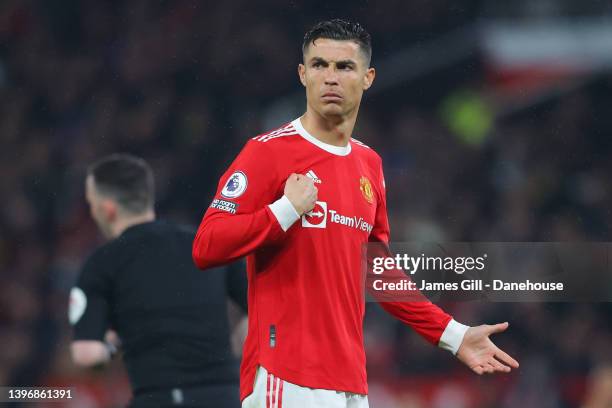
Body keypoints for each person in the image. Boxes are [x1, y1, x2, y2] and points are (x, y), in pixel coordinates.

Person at [193, 19, 519, 408]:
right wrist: (284, 210)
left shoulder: (369, 165)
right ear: (302, 74)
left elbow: (378, 273)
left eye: (344, 67)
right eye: (319, 65)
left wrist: (452, 334)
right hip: (286, 376)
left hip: (351, 384)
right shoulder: (268, 153)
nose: (330, 77)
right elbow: (206, 246)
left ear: (368, 77)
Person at [69, 153, 247, 407]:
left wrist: (112, 345)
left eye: (91, 204)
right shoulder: (206, 243)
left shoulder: (102, 263)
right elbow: (265, 308)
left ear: (107, 209)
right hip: (224, 398)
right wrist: (238, 343)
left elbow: (86, 354)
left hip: (158, 398)